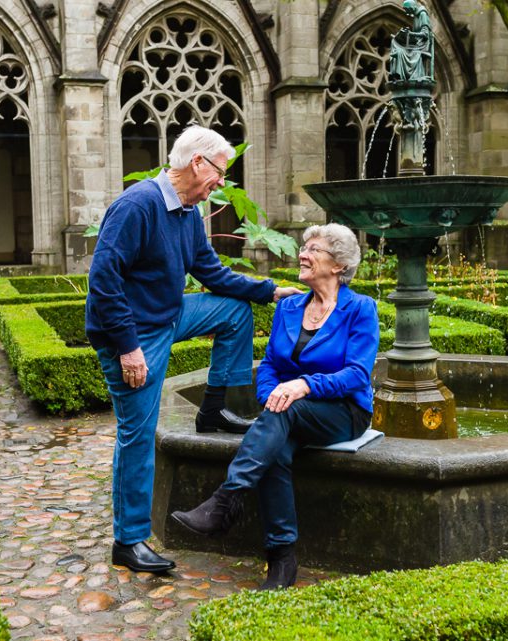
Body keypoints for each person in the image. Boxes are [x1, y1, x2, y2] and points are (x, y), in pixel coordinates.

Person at [86, 125, 301, 574]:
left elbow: (213, 274)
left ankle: (215, 408)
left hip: (170, 314)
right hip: (135, 333)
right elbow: (103, 282)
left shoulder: (185, 214)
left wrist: (267, 290)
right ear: (197, 163)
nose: (221, 183)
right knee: (137, 435)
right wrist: (128, 348)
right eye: (219, 173)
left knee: (234, 312)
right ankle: (128, 541)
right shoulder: (138, 205)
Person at [171, 223, 380, 590]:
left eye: (314, 249)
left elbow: (357, 375)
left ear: (338, 266)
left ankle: (226, 502)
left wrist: (302, 385)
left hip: (344, 411)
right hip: (288, 409)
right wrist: (269, 393)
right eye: (304, 246)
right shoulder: (290, 306)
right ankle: (282, 559)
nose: (303, 253)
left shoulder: (361, 309)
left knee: (286, 412)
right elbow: (269, 365)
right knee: (276, 449)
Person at [388, 0, 435, 84]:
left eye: (407, 10)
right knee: (395, 43)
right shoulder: (416, 16)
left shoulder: (422, 14)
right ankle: (397, 74)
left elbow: (425, 34)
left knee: (401, 52)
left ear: (412, 7)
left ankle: (407, 75)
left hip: (423, 45)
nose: (407, 13)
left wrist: (410, 34)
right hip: (418, 43)